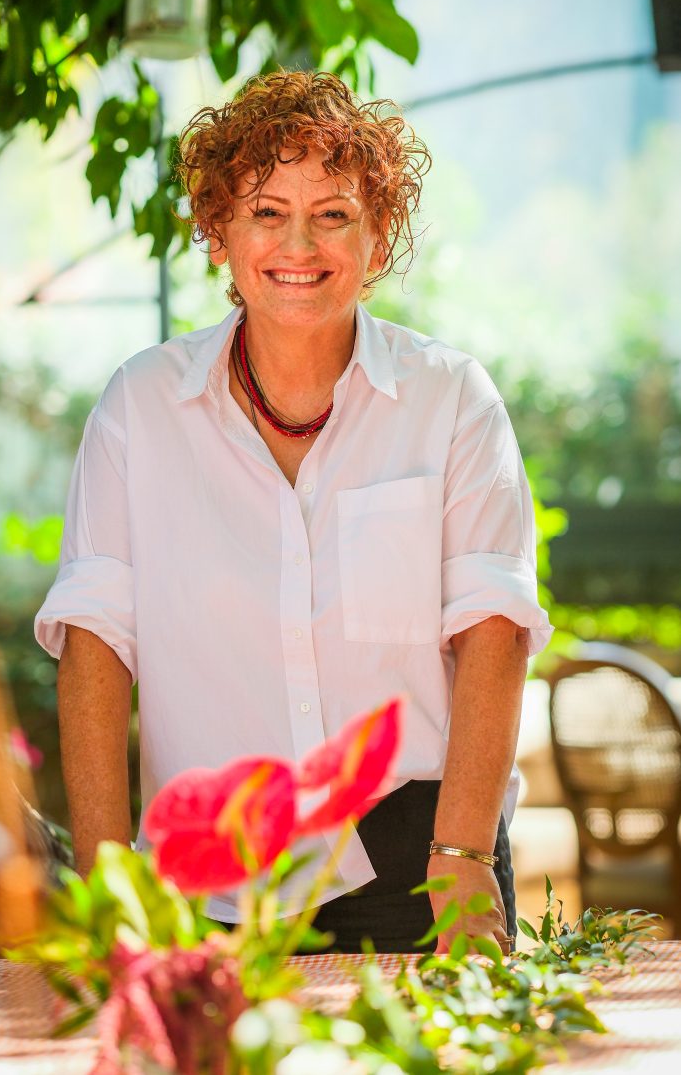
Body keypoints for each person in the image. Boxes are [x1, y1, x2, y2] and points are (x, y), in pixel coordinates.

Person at [35, 70, 551, 954]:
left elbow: (494, 631)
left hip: (423, 854)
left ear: (378, 235)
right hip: (207, 874)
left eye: (334, 213)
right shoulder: (139, 409)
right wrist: (107, 878)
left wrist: (464, 854)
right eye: (266, 211)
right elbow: (95, 644)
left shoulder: (452, 400)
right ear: (219, 232)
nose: (298, 243)